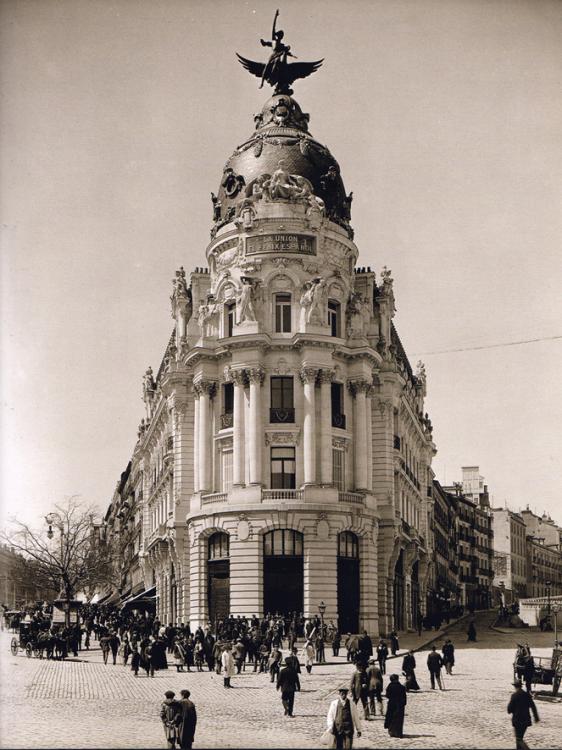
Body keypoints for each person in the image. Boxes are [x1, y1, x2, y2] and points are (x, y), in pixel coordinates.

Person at [507, 679, 539, 750]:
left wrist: (512, 710)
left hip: (517, 720)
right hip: (526, 720)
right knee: (519, 738)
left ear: (515, 686)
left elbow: (509, 709)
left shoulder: (514, 696)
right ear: (521, 686)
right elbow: (533, 707)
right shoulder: (527, 695)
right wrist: (536, 717)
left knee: (519, 739)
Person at [384, 674, 407, 738]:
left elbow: (387, 695)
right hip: (400, 705)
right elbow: (404, 697)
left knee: (391, 718)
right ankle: (398, 732)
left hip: (391, 704)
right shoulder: (402, 687)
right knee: (399, 719)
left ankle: (391, 732)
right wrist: (403, 704)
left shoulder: (390, 686)